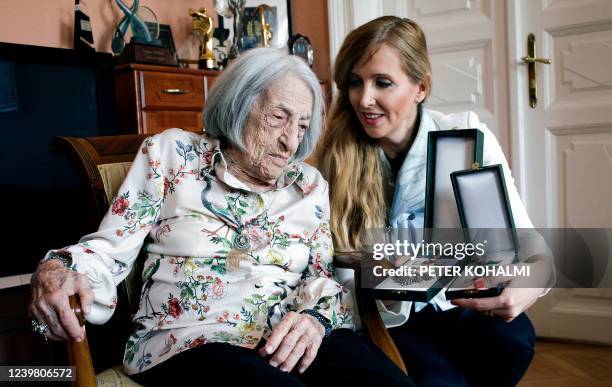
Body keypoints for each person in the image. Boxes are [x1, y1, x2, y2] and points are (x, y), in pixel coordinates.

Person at [29, 48, 412, 387]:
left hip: (289, 339)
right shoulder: (172, 155)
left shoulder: (308, 184)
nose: (291, 142)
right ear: (240, 105)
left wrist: (314, 318)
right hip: (192, 342)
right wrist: (58, 268)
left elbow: (320, 275)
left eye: (301, 125)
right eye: (279, 117)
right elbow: (111, 248)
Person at [317, 16, 551, 387]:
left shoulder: (466, 138)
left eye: (383, 83)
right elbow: (335, 272)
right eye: (354, 82)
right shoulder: (335, 156)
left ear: (420, 87)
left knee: (513, 341)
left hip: (460, 303)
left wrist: (532, 282)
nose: (364, 99)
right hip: (387, 317)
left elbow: (528, 241)